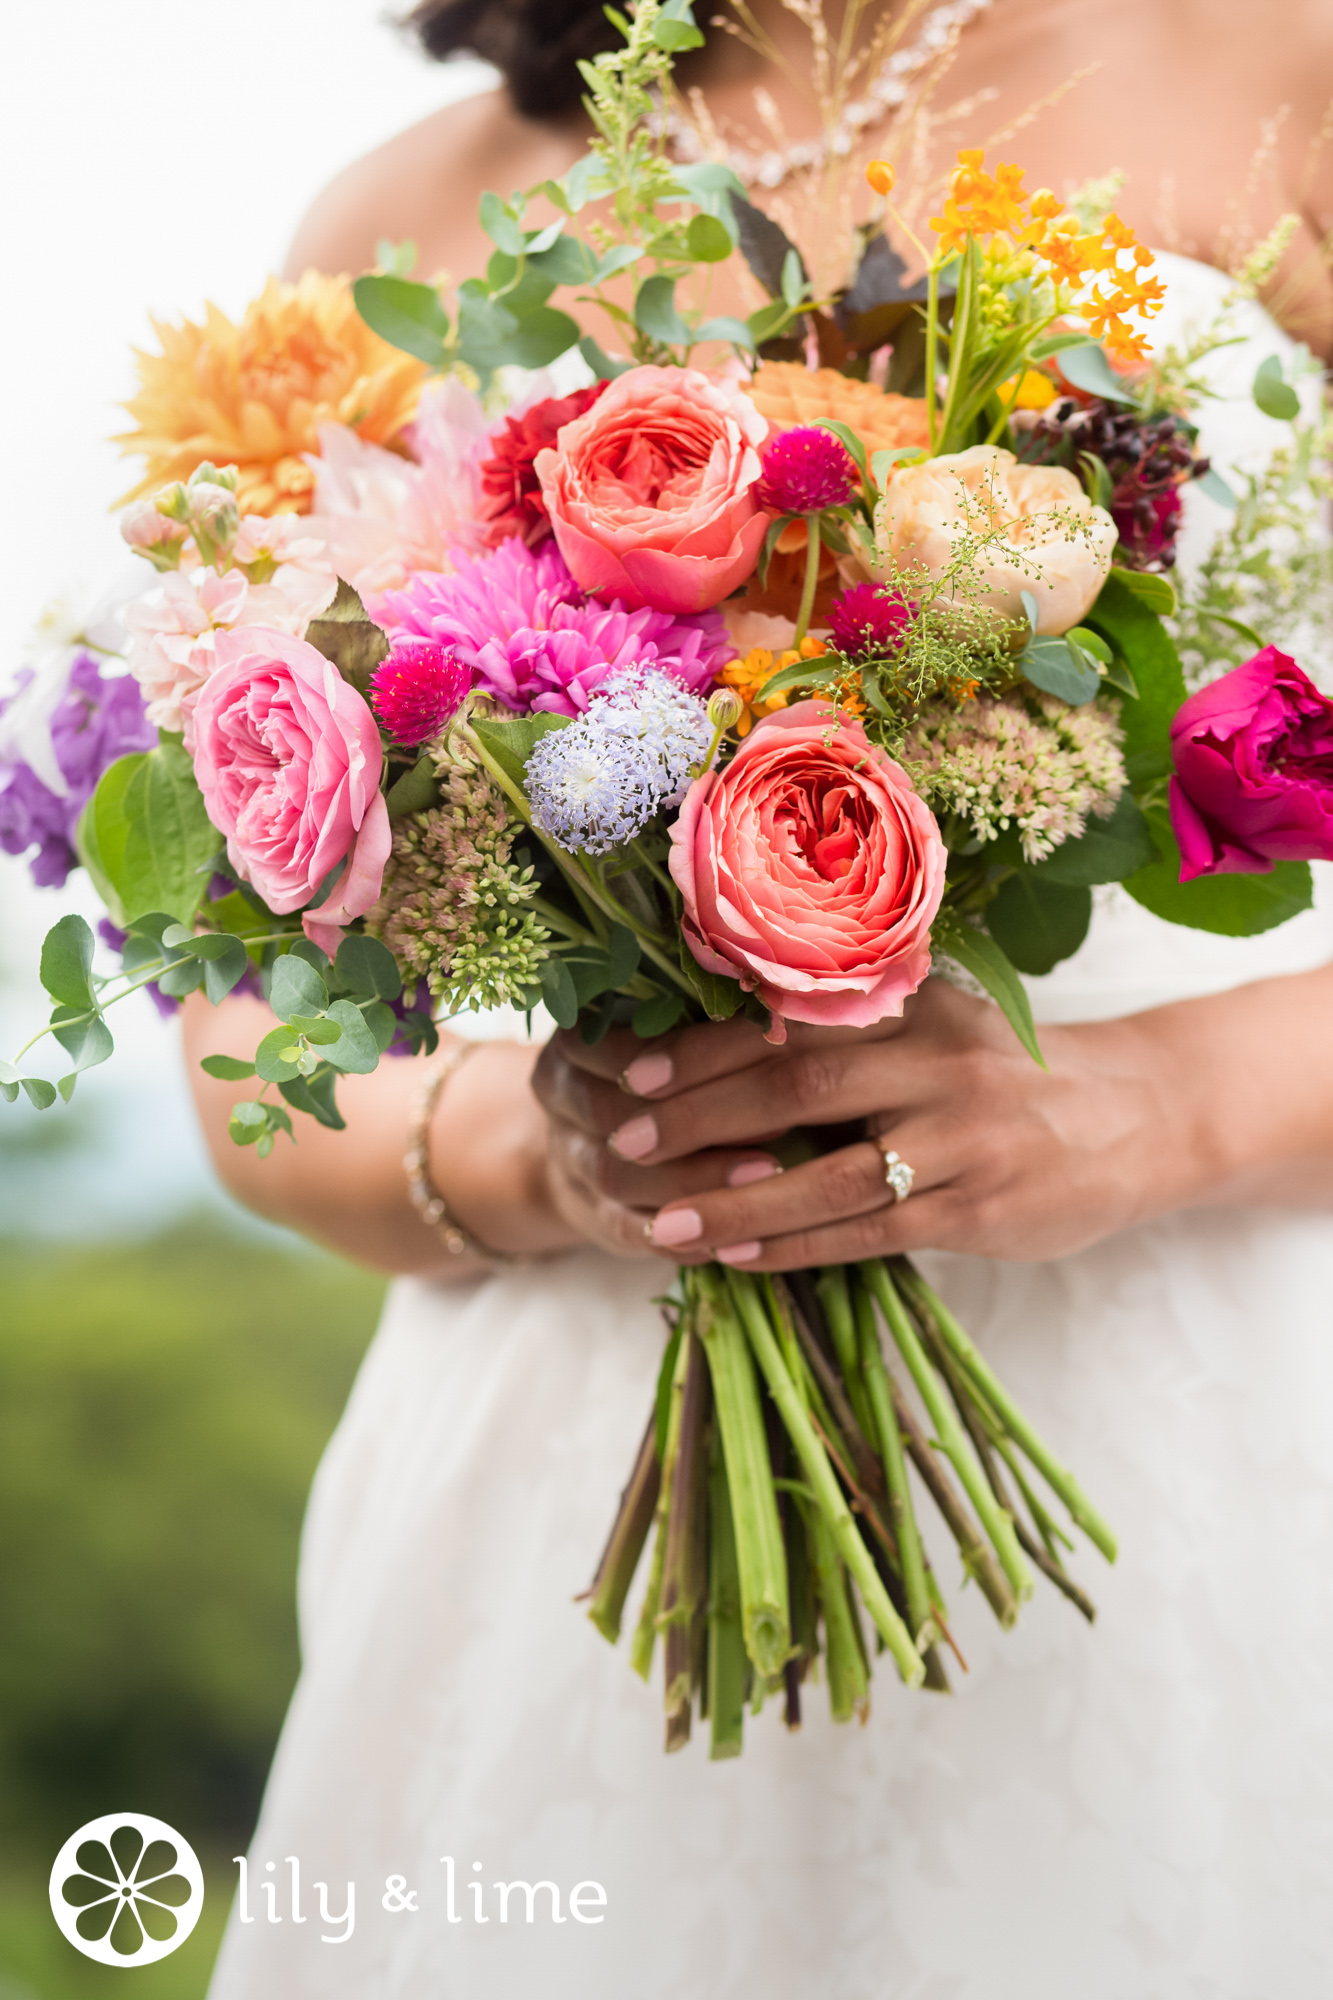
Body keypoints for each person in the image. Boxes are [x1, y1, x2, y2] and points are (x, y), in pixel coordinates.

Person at [193, 4, 1333, 1994]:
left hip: (1213, 1414)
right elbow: (241, 1038)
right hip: (558, 1468)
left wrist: (1153, 1106)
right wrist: (544, 1160)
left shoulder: (1281, 71)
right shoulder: (399, 219)